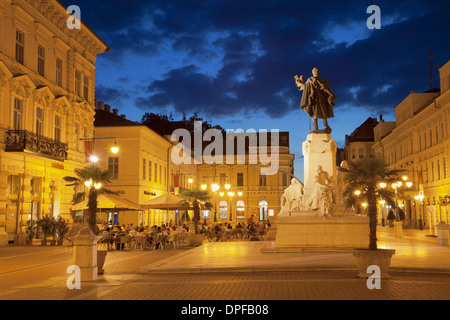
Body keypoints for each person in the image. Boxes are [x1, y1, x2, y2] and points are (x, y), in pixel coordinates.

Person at [295, 67, 336, 133]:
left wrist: (299, 83)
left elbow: (305, 88)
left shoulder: (311, 80)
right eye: (315, 71)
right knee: (318, 113)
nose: (315, 72)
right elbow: (306, 88)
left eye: (316, 71)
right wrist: (300, 83)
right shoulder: (319, 80)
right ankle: (321, 127)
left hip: (316, 100)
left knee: (317, 113)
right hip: (316, 100)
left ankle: (322, 127)